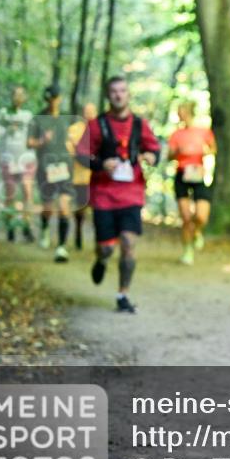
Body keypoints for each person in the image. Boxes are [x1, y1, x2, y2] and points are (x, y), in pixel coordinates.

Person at [77, 76, 160, 313]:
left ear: (128, 94)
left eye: (122, 90)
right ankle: (101, 259)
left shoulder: (139, 124)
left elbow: (154, 149)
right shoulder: (97, 125)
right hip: (103, 194)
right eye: (114, 91)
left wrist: (151, 157)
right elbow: (81, 155)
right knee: (106, 248)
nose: (118, 95)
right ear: (108, 95)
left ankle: (123, 295)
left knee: (128, 243)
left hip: (132, 193)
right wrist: (101, 164)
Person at [28, 85, 76, 262]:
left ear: (60, 98)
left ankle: (61, 247)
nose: (53, 101)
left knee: (64, 205)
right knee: (47, 206)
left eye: (55, 98)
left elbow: (75, 137)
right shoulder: (38, 119)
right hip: (45, 168)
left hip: (65, 167)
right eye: (50, 98)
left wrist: (73, 146)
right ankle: (45, 228)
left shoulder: (67, 118)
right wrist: (42, 140)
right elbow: (29, 142)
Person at [167, 100, 216, 265]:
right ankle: (188, 251)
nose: (179, 115)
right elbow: (169, 156)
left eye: (181, 112)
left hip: (198, 174)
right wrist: (177, 152)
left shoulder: (203, 131)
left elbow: (213, 149)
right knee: (186, 217)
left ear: (189, 112)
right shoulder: (176, 134)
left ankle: (197, 232)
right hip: (182, 174)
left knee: (201, 216)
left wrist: (203, 151)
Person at [0, 86, 36, 243]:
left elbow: (32, 136)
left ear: (25, 98)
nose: (17, 97)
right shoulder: (2, 114)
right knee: (10, 194)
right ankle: (10, 226)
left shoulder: (28, 115)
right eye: (15, 94)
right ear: (11, 96)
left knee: (27, 191)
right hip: (8, 159)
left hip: (26, 159)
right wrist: (8, 129)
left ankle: (27, 226)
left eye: (21, 95)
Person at [67, 102, 98, 250]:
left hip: (97, 177)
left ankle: (100, 240)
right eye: (87, 111)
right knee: (81, 208)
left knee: (99, 209)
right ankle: (78, 234)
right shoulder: (74, 129)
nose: (89, 114)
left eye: (92, 111)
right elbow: (69, 149)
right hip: (80, 177)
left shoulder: (100, 129)